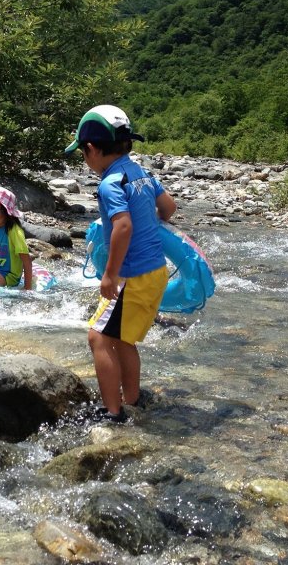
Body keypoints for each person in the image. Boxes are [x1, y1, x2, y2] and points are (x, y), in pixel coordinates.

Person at [65, 105, 177, 424]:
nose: (85, 161)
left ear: (92, 149)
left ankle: (113, 412)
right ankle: (132, 399)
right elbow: (169, 208)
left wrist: (110, 274)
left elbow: (123, 227)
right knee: (122, 339)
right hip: (156, 271)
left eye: (83, 154)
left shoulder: (109, 184)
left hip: (133, 276)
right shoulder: (140, 173)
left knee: (98, 337)